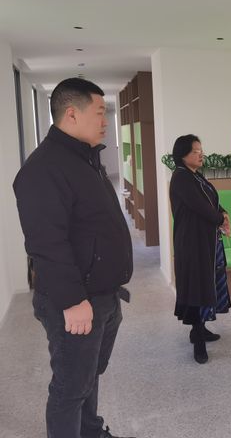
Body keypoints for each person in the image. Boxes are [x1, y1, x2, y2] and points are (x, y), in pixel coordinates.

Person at [13, 78, 134, 438]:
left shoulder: (84, 158)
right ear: (71, 114)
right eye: (99, 112)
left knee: (88, 375)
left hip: (102, 294)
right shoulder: (43, 168)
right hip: (76, 301)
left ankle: (90, 431)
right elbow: (46, 244)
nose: (105, 121)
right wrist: (72, 301)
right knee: (70, 388)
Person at [170, 134, 231, 364]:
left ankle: (201, 327)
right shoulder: (181, 177)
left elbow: (211, 200)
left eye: (200, 150)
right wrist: (220, 219)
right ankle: (197, 340)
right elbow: (200, 207)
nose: (200, 154)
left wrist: (223, 213)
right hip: (192, 243)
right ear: (182, 155)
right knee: (197, 287)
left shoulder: (195, 175)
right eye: (195, 151)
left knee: (206, 285)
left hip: (206, 240)